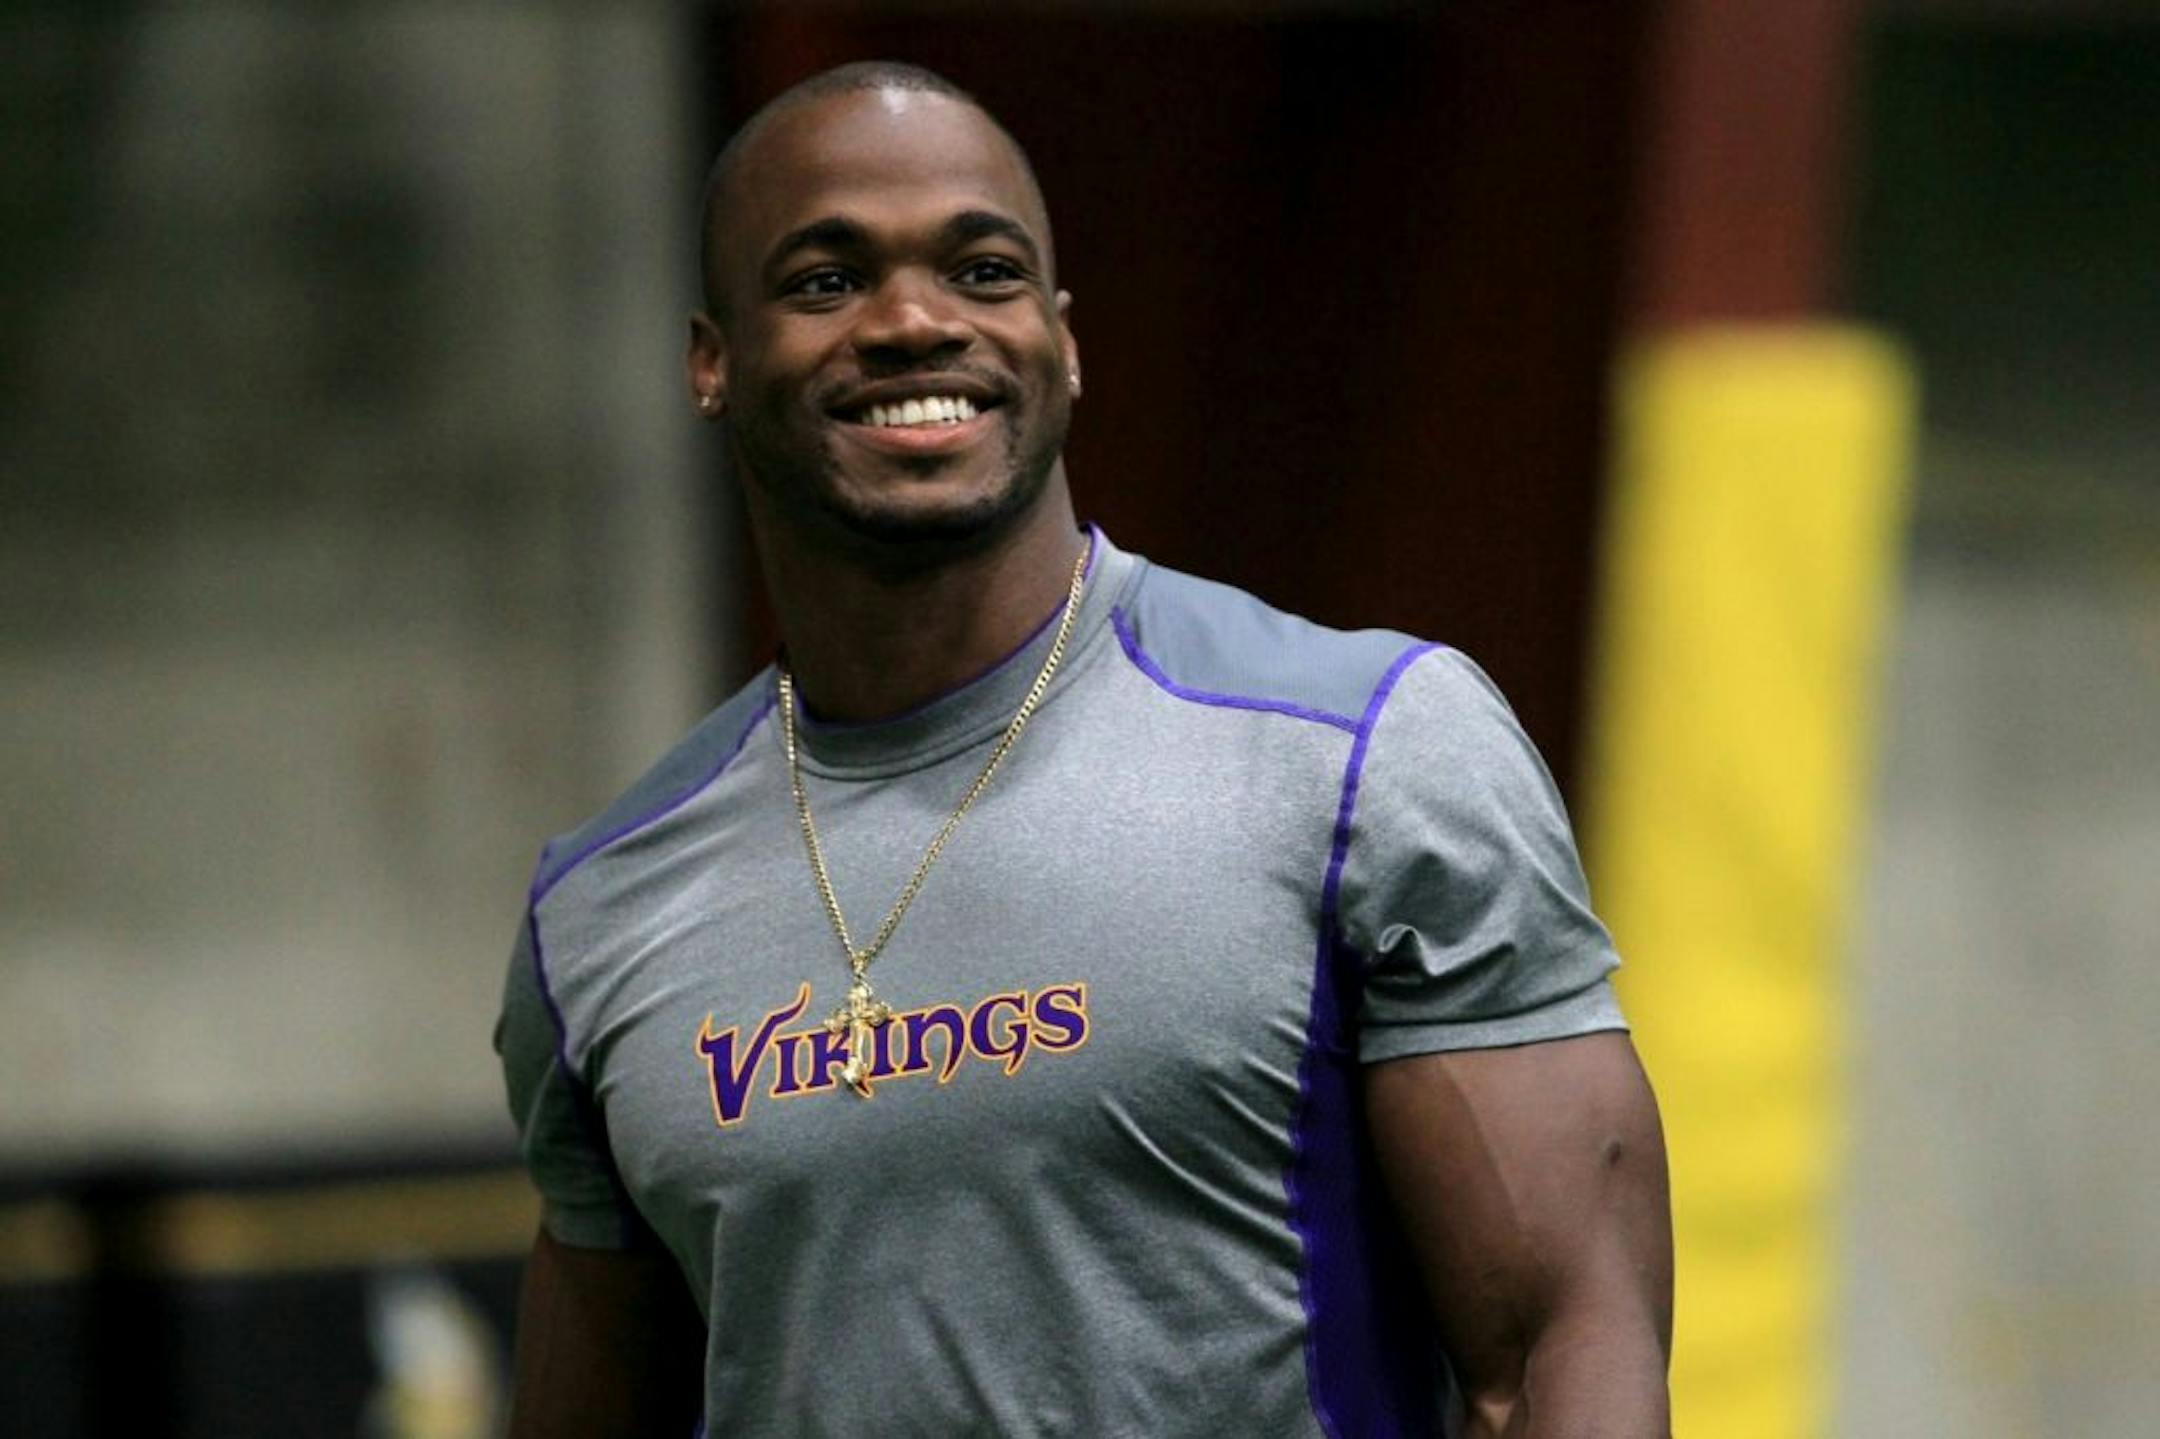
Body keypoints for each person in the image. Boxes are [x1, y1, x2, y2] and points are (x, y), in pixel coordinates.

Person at [496, 60, 1672, 1439]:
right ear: (713, 362)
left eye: (983, 272)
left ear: (1061, 342)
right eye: (827, 280)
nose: (914, 320)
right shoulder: (602, 913)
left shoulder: (1365, 753)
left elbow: (1561, 1352)